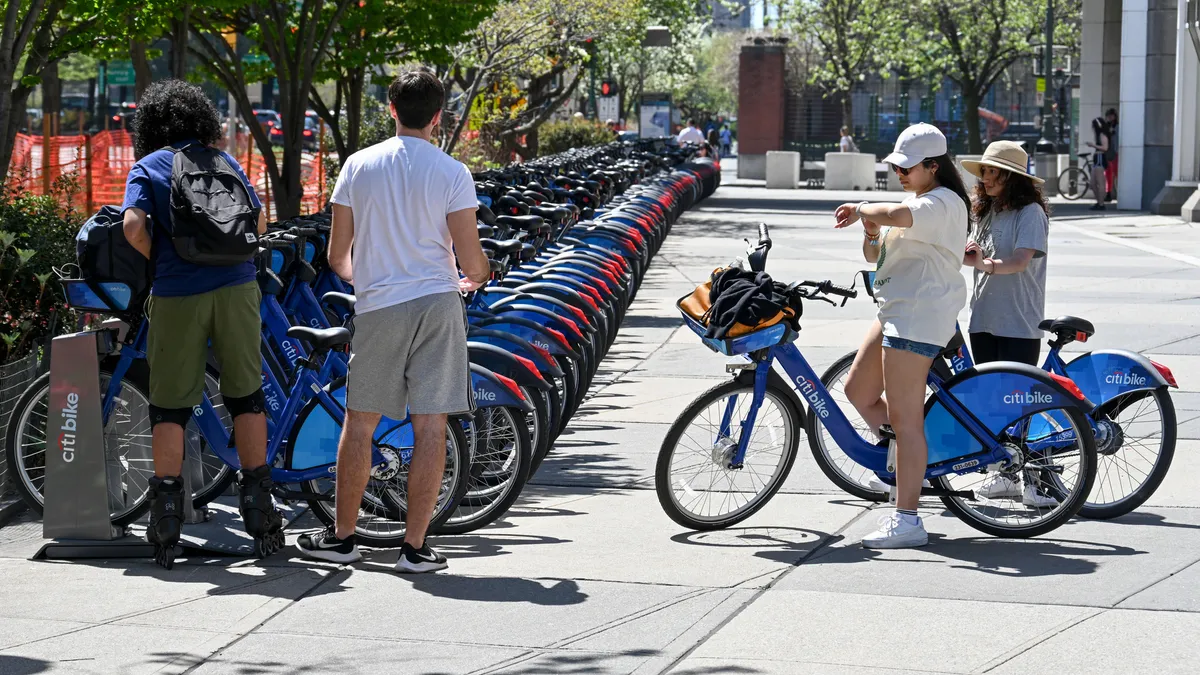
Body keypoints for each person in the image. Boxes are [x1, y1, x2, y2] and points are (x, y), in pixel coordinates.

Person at [296, 70, 490, 573]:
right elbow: (472, 263)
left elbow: (338, 256)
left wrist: (373, 282)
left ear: (391, 108)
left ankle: (342, 538)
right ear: (439, 115)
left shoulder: (358, 166)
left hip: (379, 306)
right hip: (437, 304)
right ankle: (415, 548)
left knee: (359, 424)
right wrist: (474, 276)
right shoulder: (452, 173)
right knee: (432, 428)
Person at [121, 80, 277, 564]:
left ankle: (166, 519)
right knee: (245, 394)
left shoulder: (149, 167)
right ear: (201, 119)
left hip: (177, 293)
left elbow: (131, 226)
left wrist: (163, 260)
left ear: (150, 124)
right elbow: (261, 222)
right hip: (237, 288)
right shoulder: (224, 162)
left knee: (170, 405)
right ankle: (260, 513)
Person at [833, 123, 971, 549]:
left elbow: (896, 216)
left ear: (934, 166)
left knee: (908, 423)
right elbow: (877, 253)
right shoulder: (918, 199)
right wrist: (869, 232)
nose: (899, 173)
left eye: (907, 167)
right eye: (896, 166)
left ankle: (908, 518)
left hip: (918, 317)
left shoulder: (942, 202)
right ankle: (910, 460)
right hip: (895, 310)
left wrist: (861, 208)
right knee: (858, 390)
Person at [960, 140, 1056, 508]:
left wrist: (986, 265)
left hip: (1018, 321)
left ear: (1013, 177)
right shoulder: (985, 212)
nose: (985, 178)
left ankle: (1033, 480)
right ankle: (1004, 475)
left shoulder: (1030, 212)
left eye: (992, 171)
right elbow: (973, 250)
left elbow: (1019, 261)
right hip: (982, 318)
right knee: (991, 403)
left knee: (1018, 404)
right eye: (983, 171)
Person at [1086, 116, 1110, 211]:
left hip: (1100, 157)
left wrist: (1093, 145)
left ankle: (1101, 203)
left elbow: (1105, 148)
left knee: (1100, 182)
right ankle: (1099, 201)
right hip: (1097, 157)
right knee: (1092, 183)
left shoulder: (1102, 135)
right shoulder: (1099, 135)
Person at [1104, 108, 1118, 202]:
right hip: (1107, 152)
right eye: (1108, 116)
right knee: (1107, 174)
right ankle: (1108, 193)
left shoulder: (1117, 126)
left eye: (1111, 115)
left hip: (1115, 152)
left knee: (1116, 173)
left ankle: (1118, 192)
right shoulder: (1105, 126)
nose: (1110, 117)